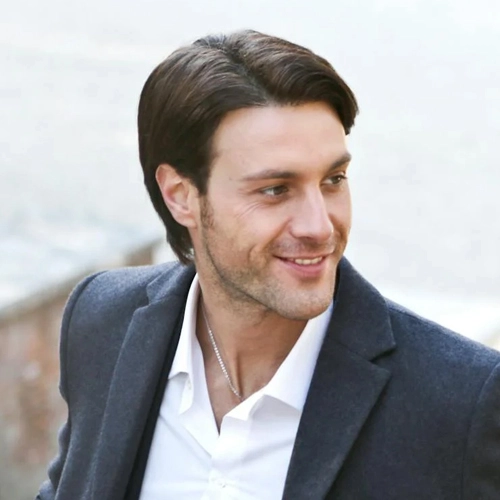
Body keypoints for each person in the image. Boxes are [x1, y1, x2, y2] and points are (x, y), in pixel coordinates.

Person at [37, 30, 500, 500]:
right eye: (275, 190)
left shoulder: (462, 402)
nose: (320, 226)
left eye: (334, 179)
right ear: (180, 196)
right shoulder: (103, 320)